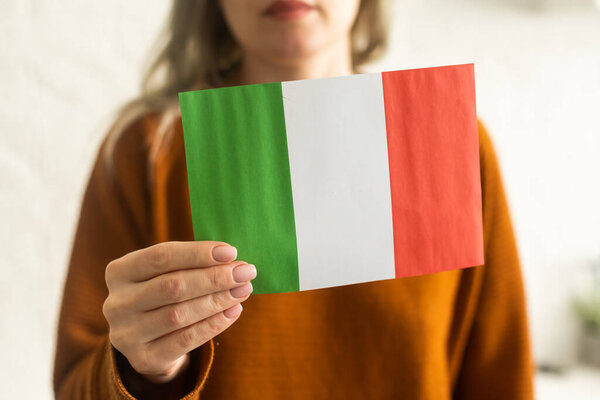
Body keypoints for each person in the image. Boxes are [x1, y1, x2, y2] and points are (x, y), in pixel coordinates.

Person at [53, 0, 534, 399]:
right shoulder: (144, 155)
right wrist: (145, 371)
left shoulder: (449, 141)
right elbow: (77, 387)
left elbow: (503, 378)